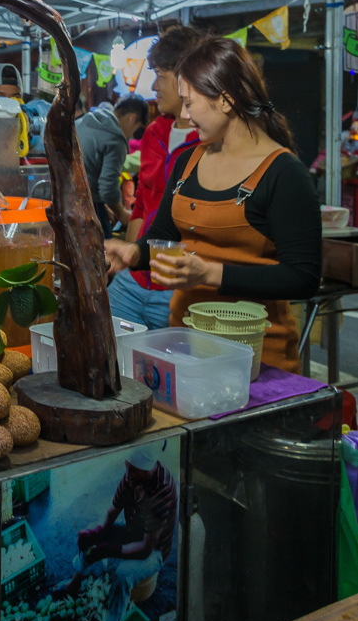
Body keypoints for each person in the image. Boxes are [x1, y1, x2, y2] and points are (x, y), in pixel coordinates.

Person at [105, 36, 322, 373]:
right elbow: (163, 234)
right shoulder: (188, 161)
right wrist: (134, 252)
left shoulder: (283, 172)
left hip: (257, 360)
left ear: (225, 100)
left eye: (191, 104)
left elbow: (303, 277)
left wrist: (210, 274)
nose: (186, 116)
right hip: (187, 345)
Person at [108, 26, 200, 329]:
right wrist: (129, 260)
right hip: (134, 281)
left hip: (179, 285)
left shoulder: (210, 139)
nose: (154, 85)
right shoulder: (153, 133)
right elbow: (142, 206)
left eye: (161, 75)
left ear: (187, 77)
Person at [60, 456, 177, 621]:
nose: (128, 475)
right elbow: (112, 512)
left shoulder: (163, 490)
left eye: (134, 471)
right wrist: (96, 534)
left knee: (123, 573)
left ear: (148, 470)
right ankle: (74, 583)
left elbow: (146, 548)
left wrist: (108, 550)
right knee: (93, 540)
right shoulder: (130, 478)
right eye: (127, 467)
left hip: (155, 550)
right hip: (133, 532)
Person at [76, 96, 149, 237]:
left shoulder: (87, 121)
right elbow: (108, 189)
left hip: (68, 201)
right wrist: (122, 214)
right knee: (105, 251)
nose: (132, 134)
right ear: (132, 119)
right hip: (87, 209)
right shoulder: (115, 139)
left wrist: (105, 207)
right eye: (136, 129)